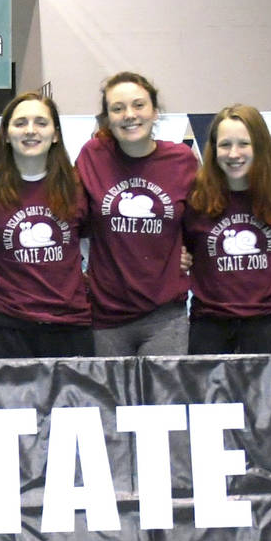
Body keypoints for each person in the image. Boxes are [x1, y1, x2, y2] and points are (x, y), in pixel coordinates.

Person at [79, 72, 198, 356]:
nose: (129, 115)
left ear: (155, 112)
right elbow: (71, 216)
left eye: (139, 105)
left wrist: (190, 251)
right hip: (106, 315)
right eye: (117, 108)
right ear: (107, 118)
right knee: (109, 400)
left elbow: (203, 222)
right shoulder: (93, 157)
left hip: (165, 314)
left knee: (164, 400)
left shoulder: (180, 160)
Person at [0, 91, 91, 358]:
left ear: (55, 134)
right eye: (20, 123)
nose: (31, 131)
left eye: (41, 123)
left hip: (71, 325)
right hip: (8, 326)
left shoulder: (77, 187)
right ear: (5, 134)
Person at [182, 103, 271, 356]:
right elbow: (176, 247)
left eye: (244, 143)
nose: (234, 154)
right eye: (225, 145)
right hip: (209, 326)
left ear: (261, 146)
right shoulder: (196, 199)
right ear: (214, 149)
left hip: (267, 325)